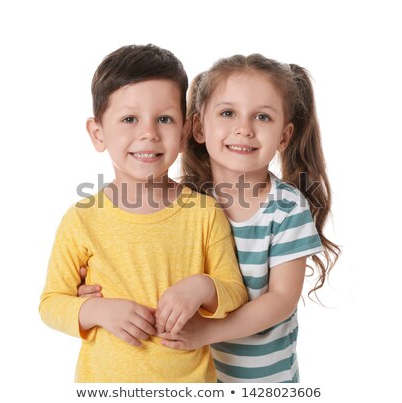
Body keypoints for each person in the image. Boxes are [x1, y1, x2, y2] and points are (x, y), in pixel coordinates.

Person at [79, 53, 340, 383]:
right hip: (190, 375)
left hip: (262, 381)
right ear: (199, 127)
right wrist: (92, 292)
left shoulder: (286, 208)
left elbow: (281, 301)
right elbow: (143, 260)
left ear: (284, 137)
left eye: (262, 117)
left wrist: (209, 331)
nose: (243, 129)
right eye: (228, 113)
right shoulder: (182, 203)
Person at [39, 44, 248, 383]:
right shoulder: (81, 219)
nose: (148, 133)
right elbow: (51, 304)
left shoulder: (204, 213)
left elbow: (235, 292)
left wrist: (203, 287)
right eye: (129, 119)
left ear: (183, 133)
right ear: (98, 133)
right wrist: (94, 310)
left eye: (164, 119)